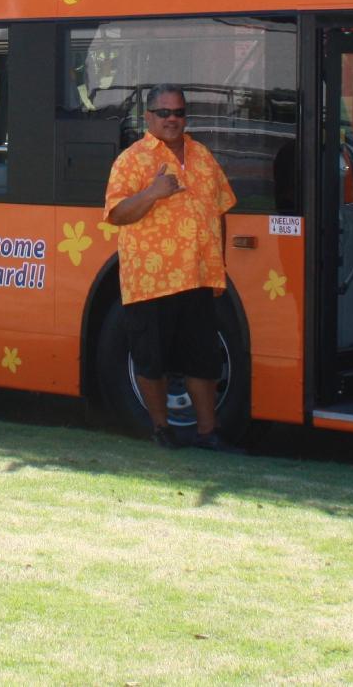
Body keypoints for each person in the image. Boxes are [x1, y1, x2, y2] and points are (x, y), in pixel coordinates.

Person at [103, 84, 238, 451]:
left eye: (179, 112)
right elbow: (115, 214)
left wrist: (217, 265)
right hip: (151, 281)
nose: (173, 119)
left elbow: (220, 209)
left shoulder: (203, 156)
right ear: (148, 117)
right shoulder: (132, 160)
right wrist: (152, 193)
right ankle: (162, 429)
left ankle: (209, 433)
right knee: (152, 361)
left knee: (203, 361)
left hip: (197, 278)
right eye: (164, 113)